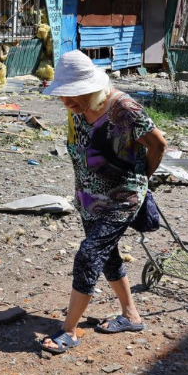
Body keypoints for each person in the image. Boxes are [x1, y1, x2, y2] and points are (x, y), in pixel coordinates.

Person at [39, 50, 167, 354]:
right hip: (88, 196)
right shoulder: (77, 107)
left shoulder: (124, 109)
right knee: (107, 256)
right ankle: (131, 316)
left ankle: (68, 331)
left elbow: (159, 144)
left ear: (93, 88)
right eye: (63, 95)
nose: (66, 102)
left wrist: (141, 181)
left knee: (88, 255)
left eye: (73, 94)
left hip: (122, 196)